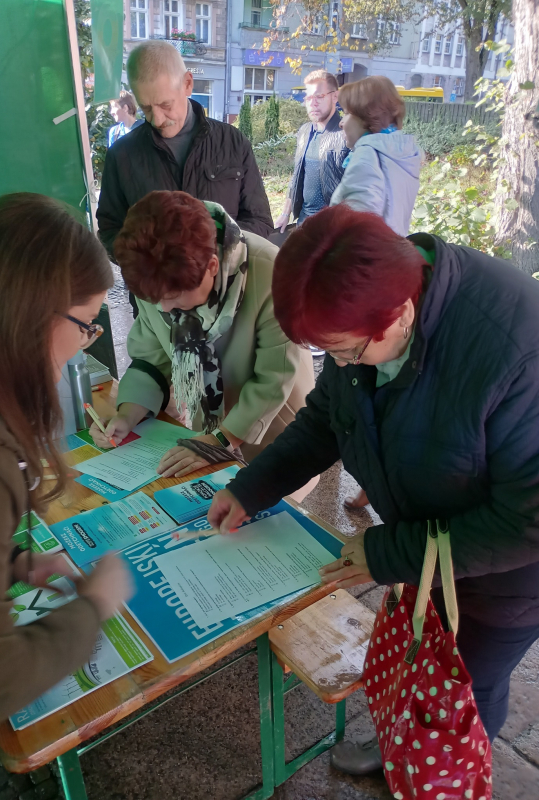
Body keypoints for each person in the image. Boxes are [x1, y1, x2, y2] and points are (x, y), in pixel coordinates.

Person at [208, 204, 539, 774]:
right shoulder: (358, 305)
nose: (338, 363)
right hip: (427, 541)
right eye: (327, 352)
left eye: (344, 350)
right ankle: (402, 754)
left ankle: (446, 773)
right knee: (417, 661)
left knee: (462, 683)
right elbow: (327, 419)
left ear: (400, 315)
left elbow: (529, 521)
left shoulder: (515, 345)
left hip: (504, 580)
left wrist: (388, 553)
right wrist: (252, 486)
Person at [0, 194, 133, 797]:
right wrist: (92, 608)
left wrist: (10, 561)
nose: (86, 344)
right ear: (30, 315)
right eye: (85, 326)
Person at [89, 191, 315, 479]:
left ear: (211, 267)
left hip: (270, 418)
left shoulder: (272, 271)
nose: (164, 308)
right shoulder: (154, 276)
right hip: (209, 421)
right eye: (153, 299)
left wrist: (219, 441)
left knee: (268, 502)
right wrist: (127, 415)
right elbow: (151, 357)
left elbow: (274, 377)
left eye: (173, 297)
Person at [96, 40, 273, 263]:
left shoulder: (232, 142)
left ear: (188, 84)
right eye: (146, 108)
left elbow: (261, 221)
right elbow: (110, 230)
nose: (157, 119)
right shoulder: (121, 155)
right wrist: (147, 259)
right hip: (156, 294)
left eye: (166, 105)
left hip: (226, 291)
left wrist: (212, 246)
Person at [331, 74, 421, 508]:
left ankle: (372, 477)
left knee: (361, 377)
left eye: (345, 115)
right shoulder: (404, 149)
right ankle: (375, 482)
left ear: (363, 120)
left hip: (364, 272)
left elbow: (361, 212)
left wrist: (328, 243)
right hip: (396, 262)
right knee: (386, 379)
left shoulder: (367, 151)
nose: (340, 123)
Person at [330, 75, 421, 238]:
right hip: (392, 256)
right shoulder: (399, 155)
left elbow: (357, 234)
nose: (341, 123)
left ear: (367, 117)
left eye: (347, 113)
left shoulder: (368, 156)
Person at [275, 70, 349, 233]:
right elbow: (296, 177)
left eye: (319, 97)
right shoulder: (305, 131)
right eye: (309, 98)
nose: (313, 103)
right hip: (303, 226)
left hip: (332, 231)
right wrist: (285, 213)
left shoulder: (347, 134)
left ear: (334, 96)